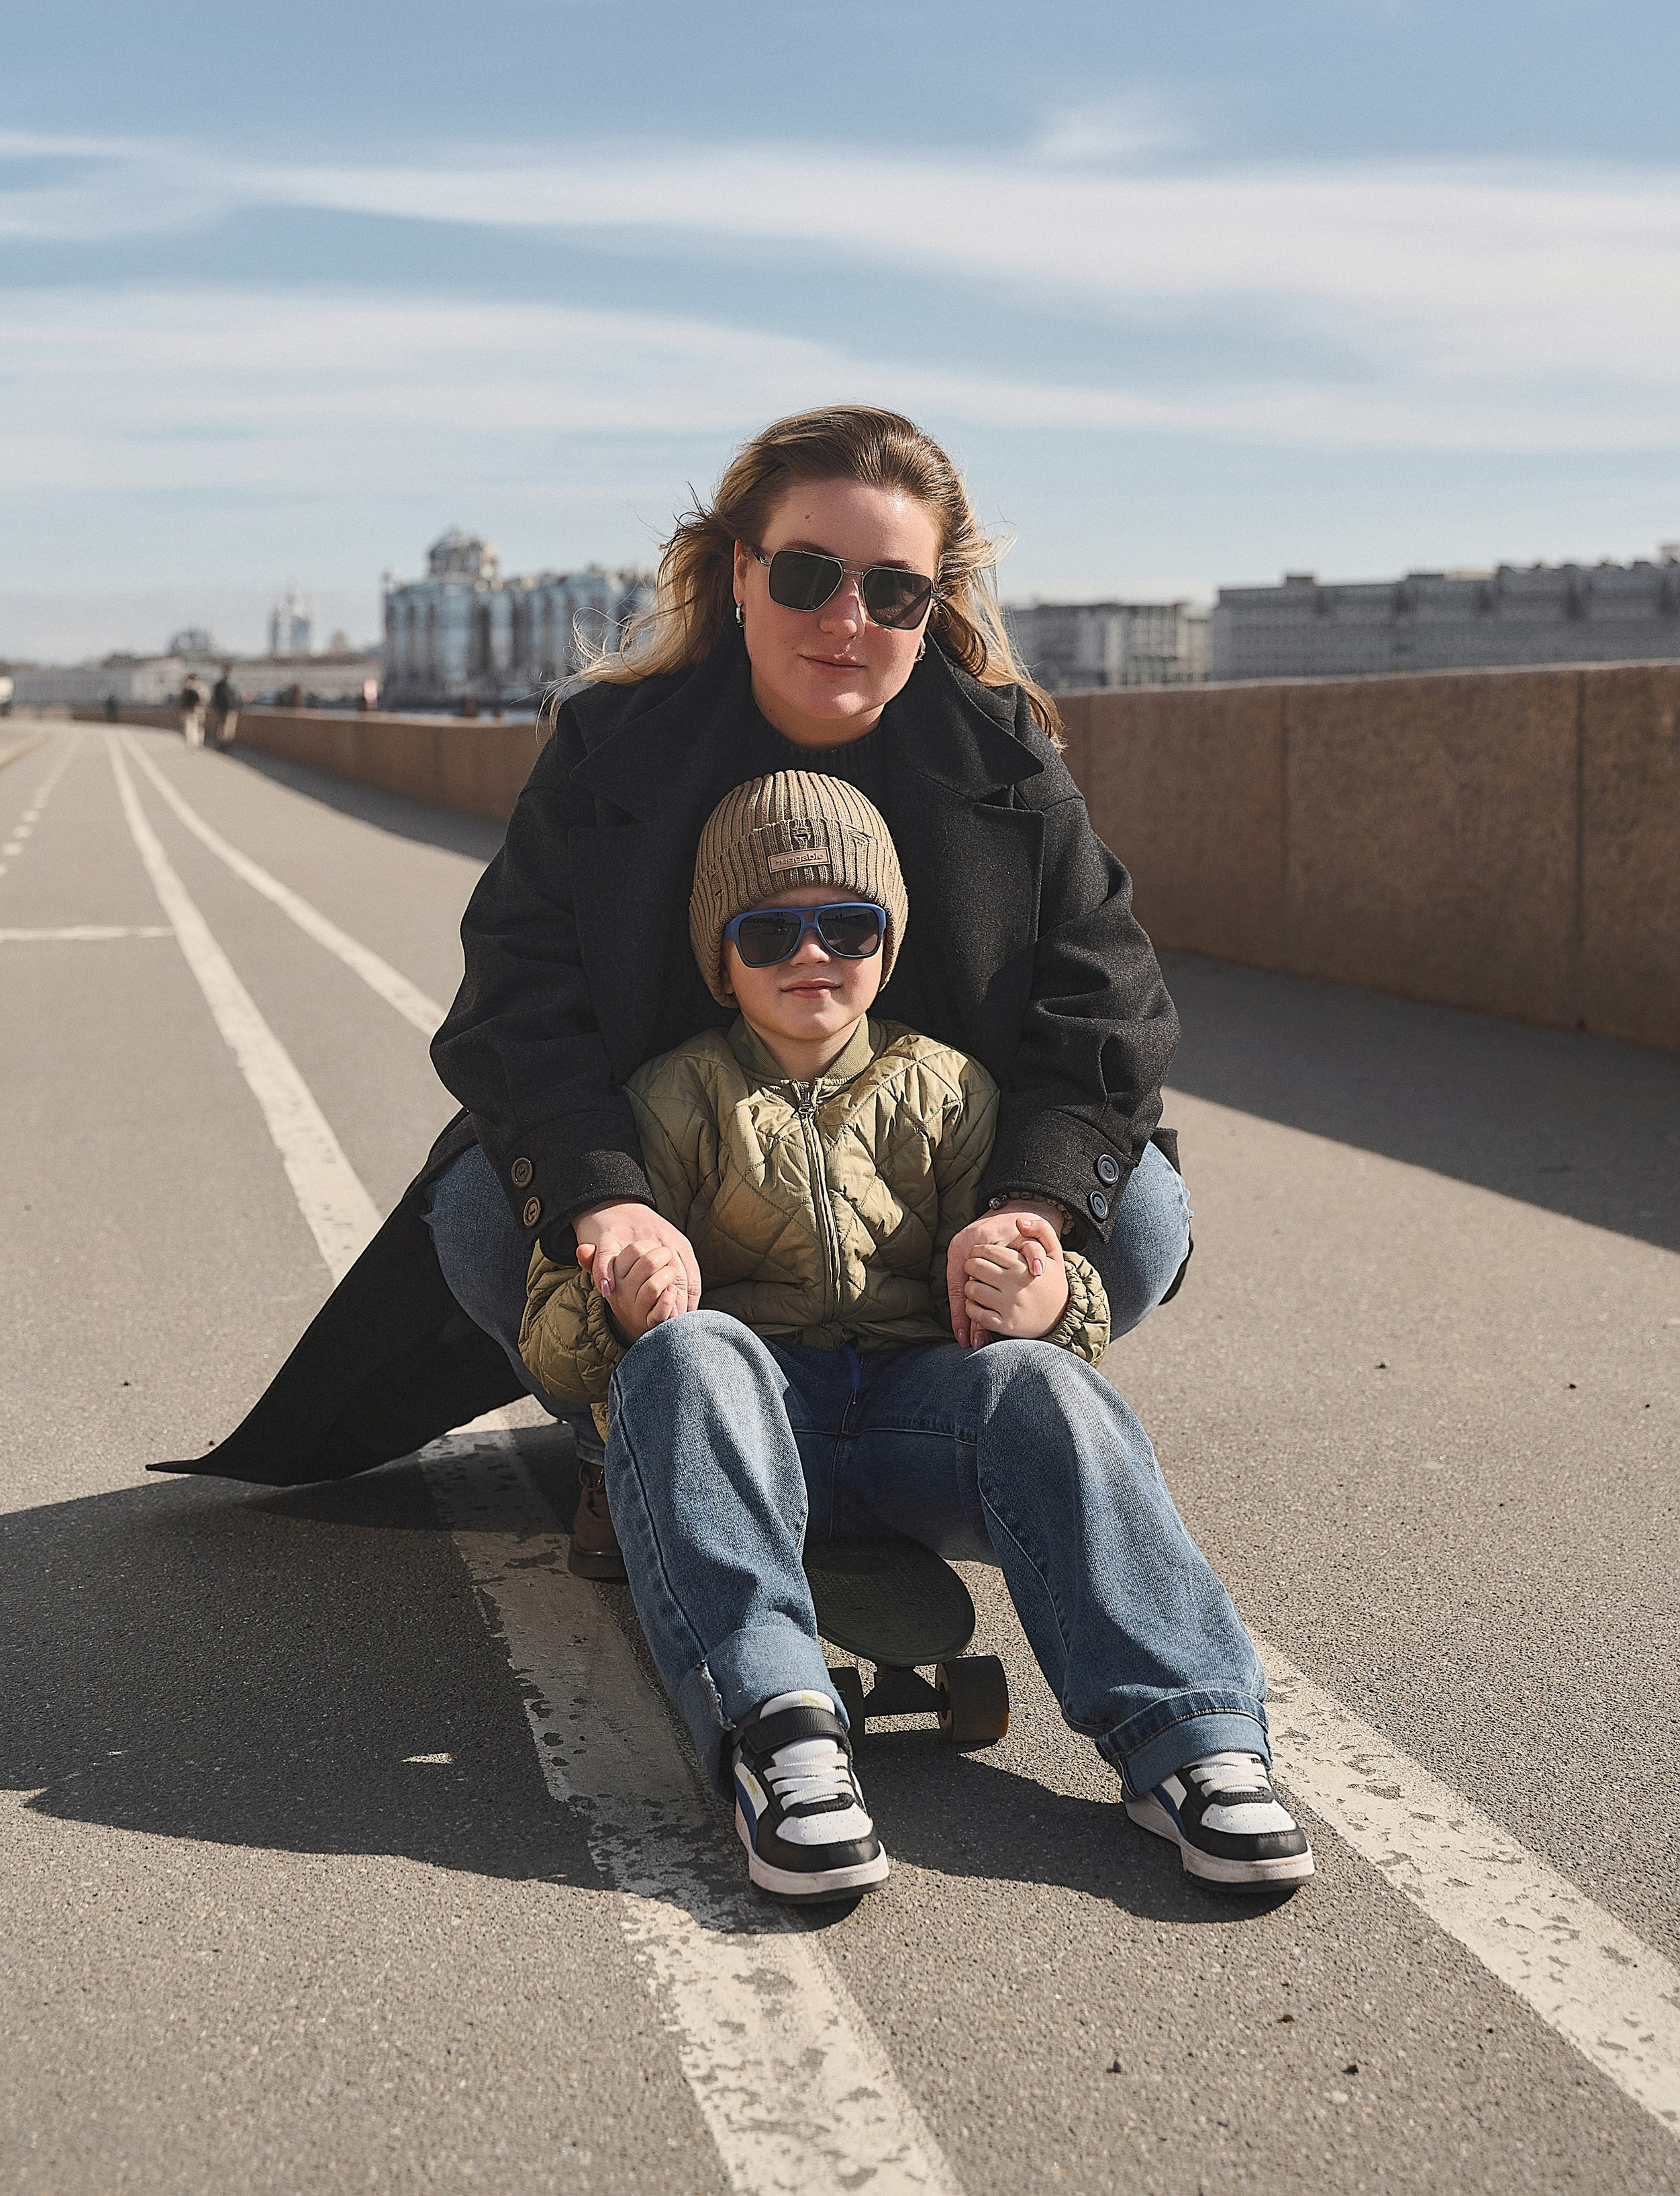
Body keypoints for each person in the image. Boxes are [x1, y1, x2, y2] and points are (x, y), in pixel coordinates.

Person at [154, 408, 1193, 1590]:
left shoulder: (1005, 759)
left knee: (1142, 1210)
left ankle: (928, 1420)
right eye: (809, 574)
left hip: (919, 1184)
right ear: (743, 574)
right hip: (679, 1174)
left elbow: (1109, 1004)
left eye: (893, 590)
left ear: (933, 605)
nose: (847, 619)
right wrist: (605, 1202)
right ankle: (624, 1434)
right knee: (492, 1209)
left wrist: (1031, 1211)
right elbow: (515, 999)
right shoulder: (615, 745)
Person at [522, 772, 1313, 1899]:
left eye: (849, 924)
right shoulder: (668, 1099)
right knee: (691, 1359)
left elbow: (1048, 1297)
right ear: (719, 955)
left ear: (889, 944)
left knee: (1047, 1390)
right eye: (769, 929)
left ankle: (1194, 1735)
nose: (813, 953)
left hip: (912, 1414)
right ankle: (781, 1731)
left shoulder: (945, 1088)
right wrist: (620, 1303)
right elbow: (554, 1344)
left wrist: (1046, 1304)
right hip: (756, 1420)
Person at [207, 665, 240, 747]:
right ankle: (224, 743)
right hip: (226, 708)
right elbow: (236, 696)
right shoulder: (229, 683)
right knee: (225, 726)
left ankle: (223, 743)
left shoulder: (222, 684)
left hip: (224, 708)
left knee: (223, 726)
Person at [178, 674, 205, 750]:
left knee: (198, 727)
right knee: (190, 727)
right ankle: (192, 743)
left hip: (197, 711)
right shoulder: (187, 690)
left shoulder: (199, 689)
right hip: (191, 711)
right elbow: (183, 702)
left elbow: (203, 700)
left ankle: (197, 742)